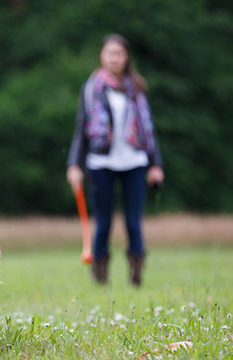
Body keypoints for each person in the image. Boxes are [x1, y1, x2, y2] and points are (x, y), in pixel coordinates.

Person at [66, 33, 164, 287]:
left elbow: (148, 128)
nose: (114, 58)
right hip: (101, 162)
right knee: (104, 222)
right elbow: (81, 129)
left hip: (134, 160)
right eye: (109, 53)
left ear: (126, 57)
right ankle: (100, 275)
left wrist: (156, 164)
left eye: (119, 53)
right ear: (102, 56)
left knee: (133, 221)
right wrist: (74, 165)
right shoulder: (92, 88)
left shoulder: (137, 88)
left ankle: (137, 273)